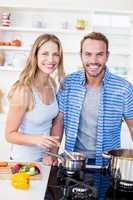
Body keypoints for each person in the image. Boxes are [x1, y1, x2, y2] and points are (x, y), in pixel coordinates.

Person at [53, 31, 133, 166]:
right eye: (88, 54)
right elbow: (59, 122)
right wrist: (54, 154)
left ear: (107, 56)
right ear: (81, 55)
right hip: (72, 162)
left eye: (99, 54)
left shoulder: (124, 88)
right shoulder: (67, 83)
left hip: (108, 165)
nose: (93, 61)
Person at [5, 33, 64, 162]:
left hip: (45, 160)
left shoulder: (52, 85)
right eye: (45, 54)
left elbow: (54, 122)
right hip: (24, 162)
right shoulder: (24, 90)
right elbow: (9, 135)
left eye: (55, 54)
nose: (51, 59)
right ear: (35, 55)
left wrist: (52, 154)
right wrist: (36, 139)